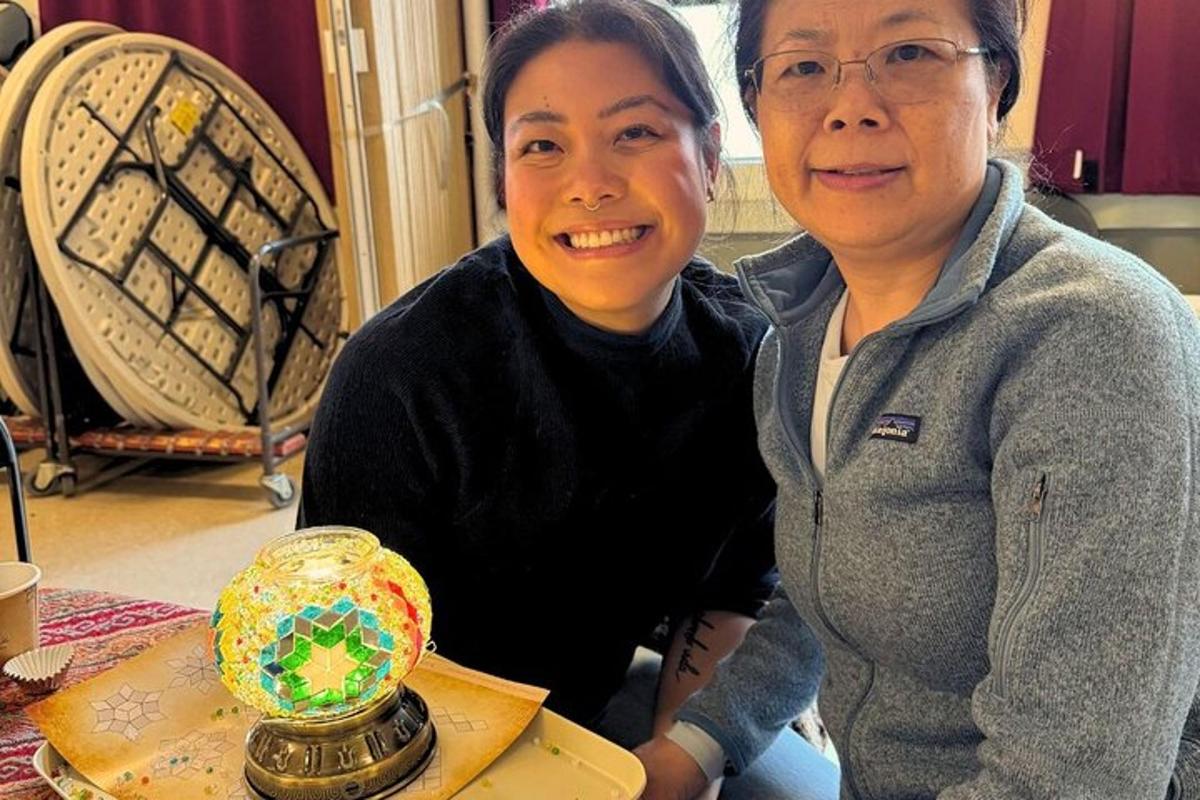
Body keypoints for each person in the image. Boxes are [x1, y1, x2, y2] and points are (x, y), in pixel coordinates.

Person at [635, 0, 1200, 798]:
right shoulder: (797, 334)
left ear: (995, 82)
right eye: (803, 67)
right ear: (757, 108)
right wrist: (697, 744)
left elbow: (1073, 773)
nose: (852, 108)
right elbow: (826, 593)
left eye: (909, 53)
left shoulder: (1090, 336)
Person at [300, 1, 837, 796]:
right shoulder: (401, 374)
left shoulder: (751, 356)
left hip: (605, 701)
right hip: (424, 747)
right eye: (543, 146)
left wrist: (679, 766)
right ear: (504, 180)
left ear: (712, 155)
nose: (590, 185)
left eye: (636, 133)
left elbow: (731, 596)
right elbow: (342, 670)